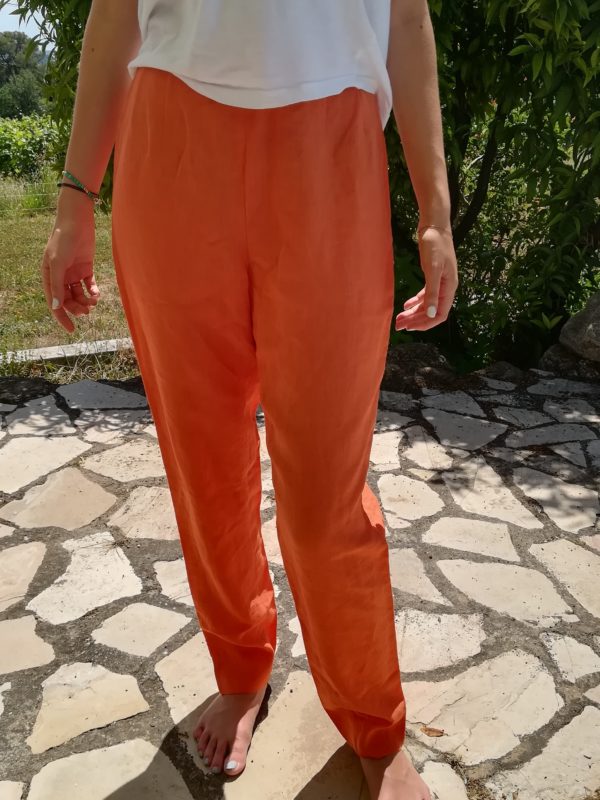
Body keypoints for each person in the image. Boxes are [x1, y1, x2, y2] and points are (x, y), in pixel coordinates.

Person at [40, 1, 458, 798]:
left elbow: (407, 20)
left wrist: (434, 213)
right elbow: (115, 13)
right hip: (171, 145)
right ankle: (240, 669)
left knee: (327, 499)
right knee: (204, 467)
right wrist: (74, 197)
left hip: (330, 148)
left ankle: (374, 723)